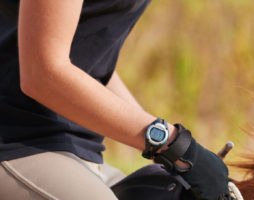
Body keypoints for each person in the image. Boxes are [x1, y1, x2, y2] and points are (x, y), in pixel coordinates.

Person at [0, 0, 230, 199]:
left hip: (72, 147)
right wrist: (172, 143)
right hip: (16, 140)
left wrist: (174, 153)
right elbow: (42, 74)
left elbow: (89, 64)